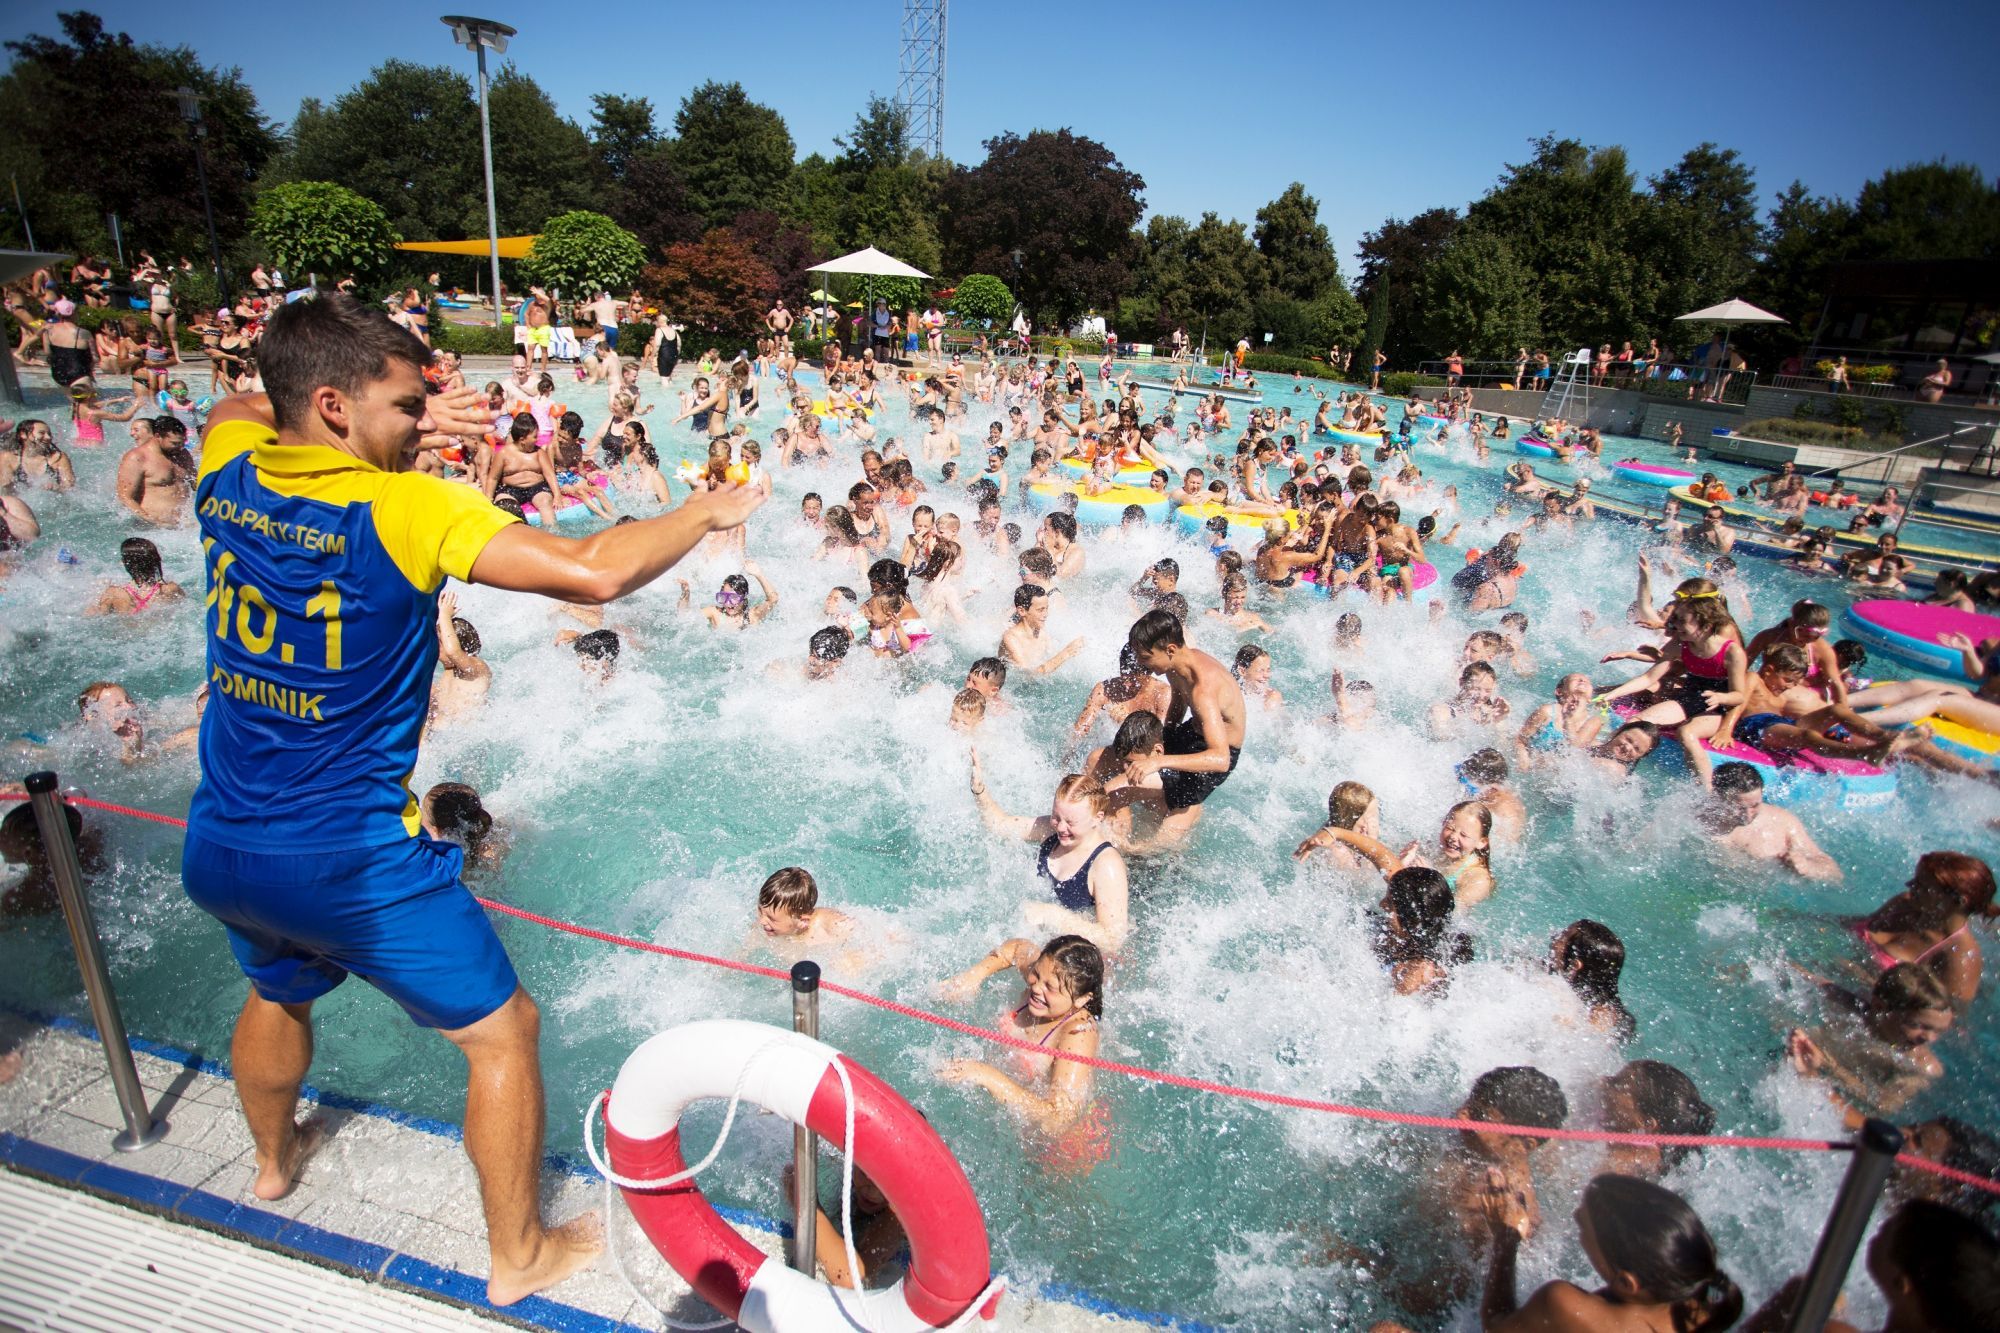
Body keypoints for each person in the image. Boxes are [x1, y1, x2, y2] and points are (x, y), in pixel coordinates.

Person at [179, 293, 763, 1305]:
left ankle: (273, 1167)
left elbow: (241, 399)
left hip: (222, 838)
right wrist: (703, 513)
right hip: (352, 862)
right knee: (504, 1034)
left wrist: (399, 409)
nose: (423, 423)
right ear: (331, 405)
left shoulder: (227, 468)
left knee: (276, 989)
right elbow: (590, 572)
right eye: (407, 405)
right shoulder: (406, 509)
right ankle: (517, 1256)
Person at [1476, 1174, 1741, 1333]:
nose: (1575, 1214)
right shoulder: (1702, 1302)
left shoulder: (1564, 1304)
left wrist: (1506, 1239)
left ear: (1626, 1282)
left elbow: (1495, 1325)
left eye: (1583, 1225)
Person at [939, 935, 1108, 1169]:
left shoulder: (1078, 1033)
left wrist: (988, 1077)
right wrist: (973, 976)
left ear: (1080, 1000)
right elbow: (1016, 947)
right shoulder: (1047, 974)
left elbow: (1058, 1120)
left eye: (1050, 988)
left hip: (1062, 1148)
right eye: (1036, 975)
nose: (1036, 988)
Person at [1117, 609, 1247, 850]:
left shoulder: (1204, 689)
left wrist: (1160, 761)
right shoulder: (1177, 667)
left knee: (1151, 851)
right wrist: (1164, 738)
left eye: (1146, 657)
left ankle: (1184, 815)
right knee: (1129, 754)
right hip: (1194, 733)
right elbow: (1178, 701)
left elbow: (1221, 760)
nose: (1141, 664)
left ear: (1170, 650)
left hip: (1218, 751)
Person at [968, 759, 1130, 950]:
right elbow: (1001, 825)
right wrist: (979, 790)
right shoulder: (1050, 830)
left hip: (1077, 961)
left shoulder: (1106, 864)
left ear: (1097, 818)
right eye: (1056, 817)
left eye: (1071, 822)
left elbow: (1113, 939)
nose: (1061, 828)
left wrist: (1053, 916)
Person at [1788, 964, 1953, 1120]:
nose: (1930, 1038)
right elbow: (1799, 977)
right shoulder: (1854, 1006)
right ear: (1880, 1008)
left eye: (1939, 1030)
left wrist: (1829, 1065)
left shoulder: (1920, 1067)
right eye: (1918, 1025)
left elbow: (1884, 1105)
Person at [1849, 851, 1993, 1007]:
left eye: (1922, 886)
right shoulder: (1903, 904)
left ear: (1959, 901)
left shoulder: (1958, 956)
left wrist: (1864, 978)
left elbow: (1944, 1019)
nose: (1910, 886)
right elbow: (1847, 923)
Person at [1698, 763, 1842, 880]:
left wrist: (1808, 868)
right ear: (1719, 798)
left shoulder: (1782, 821)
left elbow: (1835, 873)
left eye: (1755, 805)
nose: (1748, 816)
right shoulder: (1698, 824)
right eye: (1738, 808)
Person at [1598, 1060, 1716, 1181]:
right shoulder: (1629, 1128)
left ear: (1646, 1123)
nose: (1604, 1081)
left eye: (1618, 1083)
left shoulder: (1634, 1159)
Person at [1549, 921, 1636, 1041]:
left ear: (1574, 966)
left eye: (1562, 936)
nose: (1554, 937)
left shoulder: (1557, 996)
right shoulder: (1623, 1019)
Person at [115, 414, 197, 524]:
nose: (181, 447)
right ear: (158, 436)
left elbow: (196, 484)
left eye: (183, 442)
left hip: (183, 526)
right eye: (175, 443)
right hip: (153, 528)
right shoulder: (137, 457)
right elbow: (125, 498)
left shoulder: (182, 454)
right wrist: (154, 522)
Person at [85, 537, 185, 615]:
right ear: (156, 560)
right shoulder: (171, 589)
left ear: (125, 562)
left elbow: (91, 616)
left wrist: (96, 594)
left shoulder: (114, 593)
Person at [1000, 585, 1083, 675]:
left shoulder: (1043, 635)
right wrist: (1066, 653)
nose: (1046, 614)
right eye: (1040, 610)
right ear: (1022, 611)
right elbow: (1028, 677)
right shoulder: (1011, 638)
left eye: (1047, 609)